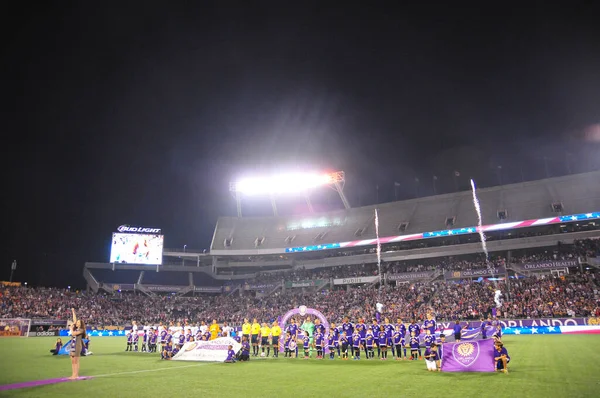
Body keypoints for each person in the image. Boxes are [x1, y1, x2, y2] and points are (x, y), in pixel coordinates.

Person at [69, 308, 86, 379]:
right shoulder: (76, 328)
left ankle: (76, 375)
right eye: (77, 322)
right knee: (72, 361)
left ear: (81, 324)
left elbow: (73, 333)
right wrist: (73, 312)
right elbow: (74, 320)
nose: (77, 323)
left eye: (78, 322)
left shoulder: (81, 330)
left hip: (77, 346)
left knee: (76, 361)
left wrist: (70, 328)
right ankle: (73, 374)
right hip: (72, 345)